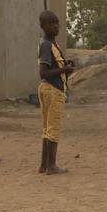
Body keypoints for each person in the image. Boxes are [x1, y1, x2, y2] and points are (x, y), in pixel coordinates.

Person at [37, 10, 75, 175]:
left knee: (47, 128)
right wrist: (64, 70)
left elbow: (53, 68)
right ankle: (51, 166)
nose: (55, 26)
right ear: (43, 26)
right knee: (53, 128)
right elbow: (43, 72)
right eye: (51, 24)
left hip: (49, 88)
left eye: (57, 23)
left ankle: (44, 165)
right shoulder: (47, 45)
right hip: (53, 90)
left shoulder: (52, 44)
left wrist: (66, 68)